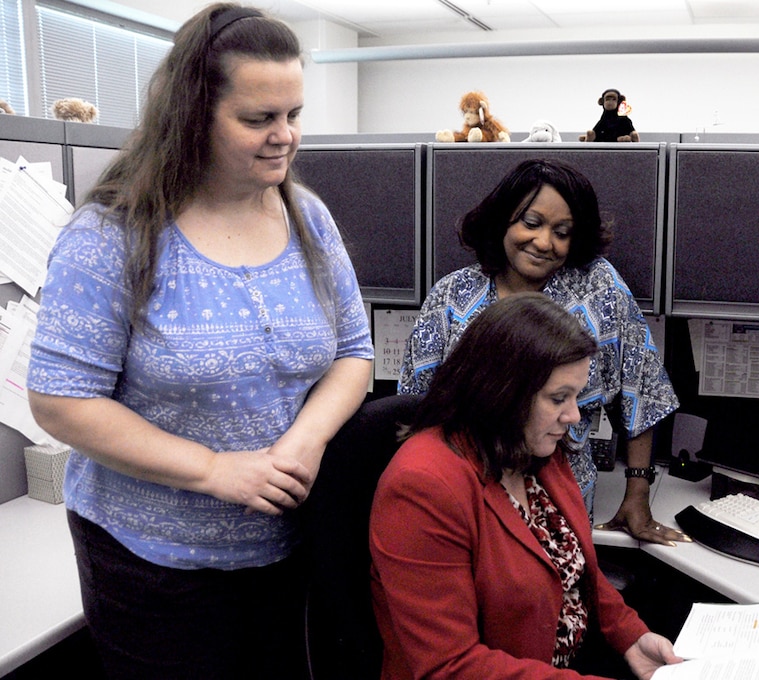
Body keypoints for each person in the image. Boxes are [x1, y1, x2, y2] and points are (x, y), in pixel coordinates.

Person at [26, 4, 374, 678]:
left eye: (293, 114)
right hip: (153, 567)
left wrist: (303, 442)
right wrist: (215, 470)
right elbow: (61, 402)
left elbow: (353, 353)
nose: (285, 137)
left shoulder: (308, 217)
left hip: (284, 549)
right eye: (257, 119)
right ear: (191, 115)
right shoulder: (114, 233)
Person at [372, 292, 683, 679]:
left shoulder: (535, 449)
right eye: (558, 398)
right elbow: (449, 667)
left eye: (576, 396)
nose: (572, 415)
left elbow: (576, 568)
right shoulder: (422, 487)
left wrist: (632, 637)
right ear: (501, 392)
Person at [399, 158, 686, 546]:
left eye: (562, 232)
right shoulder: (452, 296)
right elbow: (416, 408)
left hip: (561, 495)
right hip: (464, 491)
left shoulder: (598, 289)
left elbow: (641, 390)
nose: (544, 242)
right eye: (531, 223)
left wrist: (637, 495)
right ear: (504, 218)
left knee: (556, 598)